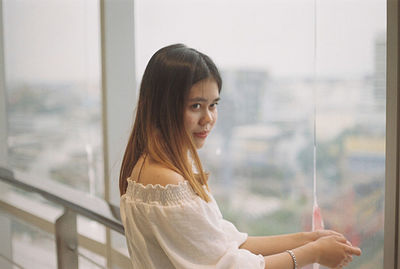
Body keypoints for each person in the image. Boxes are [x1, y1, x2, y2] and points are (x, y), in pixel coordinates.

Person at [119, 44, 362, 269]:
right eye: (195, 106)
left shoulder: (152, 167)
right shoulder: (166, 183)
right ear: (165, 107)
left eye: (213, 105)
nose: (208, 118)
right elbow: (230, 265)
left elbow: (227, 244)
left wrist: (308, 238)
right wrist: (314, 253)